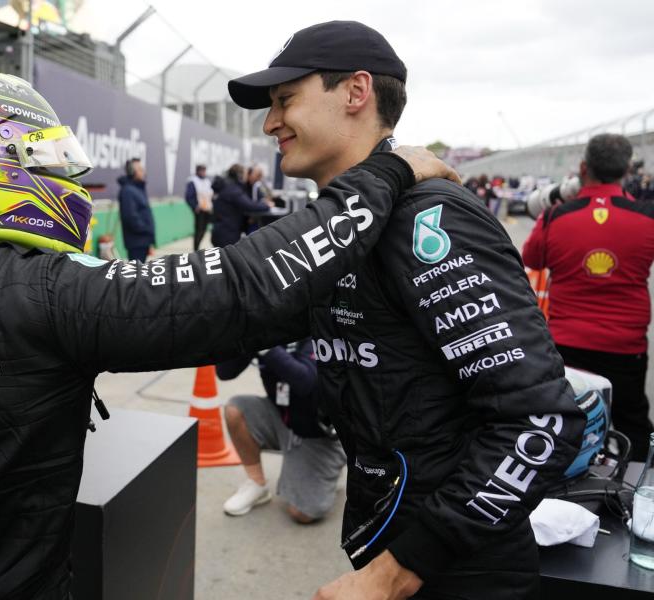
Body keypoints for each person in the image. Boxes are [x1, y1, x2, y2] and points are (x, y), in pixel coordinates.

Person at [0, 69, 457, 599]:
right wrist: (385, 174)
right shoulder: (42, 295)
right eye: (38, 160)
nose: (67, 178)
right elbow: (239, 290)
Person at [226, 20, 583, 599]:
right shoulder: (340, 231)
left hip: (461, 570)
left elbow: (539, 420)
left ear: (356, 92)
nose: (270, 123)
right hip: (387, 535)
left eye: (284, 100)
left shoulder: (429, 221)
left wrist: (395, 574)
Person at [522, 133, 654, 462]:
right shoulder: (646, 216)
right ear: (626, 170)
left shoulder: (555, 216)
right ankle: (635, 495)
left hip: (566, 343)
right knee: (632, 423)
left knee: (566, 422)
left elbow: (533, 259)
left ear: (583, 167)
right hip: (625, 345)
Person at [218, 339, 346, 523]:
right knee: (236, 409)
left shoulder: (315, 323)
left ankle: (332, 464)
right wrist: (244, 334)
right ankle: (256, 483)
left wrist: (268, 348)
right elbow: (224, 372)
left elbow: (306, 382)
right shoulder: (269, 325)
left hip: (316, 431)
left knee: (303, 513)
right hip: (281, 415)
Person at [210, 163, 272, 247]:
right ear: (240, 175)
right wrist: (267, 205)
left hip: (221, 231)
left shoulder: (228, 186)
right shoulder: (233, 190)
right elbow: (249, 206)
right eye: (246, 173)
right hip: (227, 234)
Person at [117, 158, 155, 261]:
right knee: (135, 275)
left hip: (143, 241)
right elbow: (130, 217)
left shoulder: (138, 189)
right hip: (136, 243)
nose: (144, 172)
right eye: (140, 169)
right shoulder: (128, 191)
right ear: (132, 172)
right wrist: (145, 230)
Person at [185, 164, 214, 250]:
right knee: (199, 230)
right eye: (202, 170)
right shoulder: (193, 181)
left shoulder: (207, 181)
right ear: (197, 171)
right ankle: (196, 249)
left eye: (204, 170)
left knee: (204, 230)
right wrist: (195, 207)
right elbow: (189, 197)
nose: (203, 172)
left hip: (208, 210)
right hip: (199, 211)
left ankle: (197, 247)